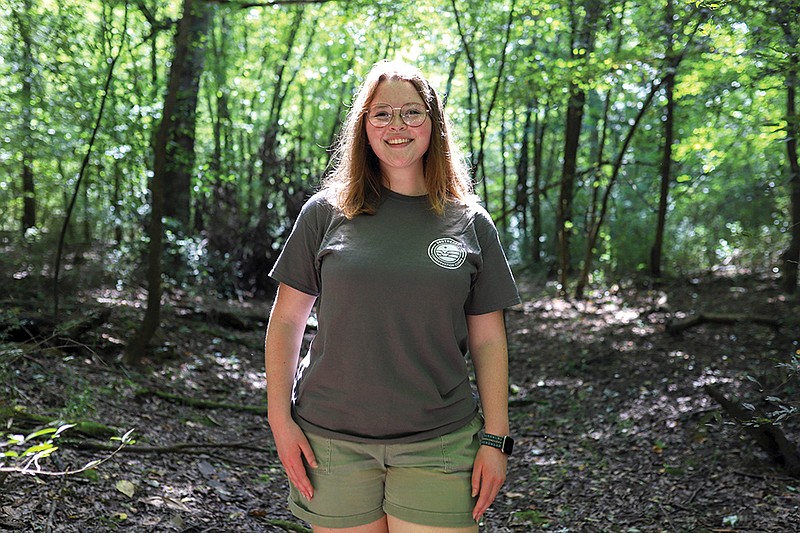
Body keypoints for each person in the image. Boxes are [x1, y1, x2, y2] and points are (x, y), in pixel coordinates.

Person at [265, 59, 520, 533]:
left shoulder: (469, 222)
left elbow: (488, 339)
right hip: (330, 440)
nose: (397, 126)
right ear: (363, 126)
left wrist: (496, 438)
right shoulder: (325, 213)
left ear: (434, 123)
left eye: (412, 113)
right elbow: (286, 322)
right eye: (381, 114)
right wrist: (280, 422)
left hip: (439, 440)